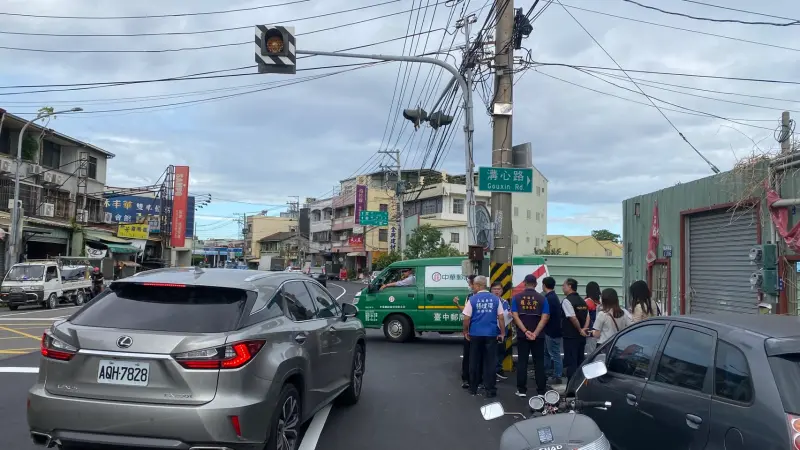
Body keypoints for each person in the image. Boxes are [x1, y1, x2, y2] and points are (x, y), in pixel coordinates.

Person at [462, 275, 506, 398]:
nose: (473, 288)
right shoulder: (496, 299)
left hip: (475, 335)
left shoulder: (473, 299)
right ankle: (490, 389)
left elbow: (466, 318)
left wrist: (465, 331)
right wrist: (502, 333)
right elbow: (501, 318)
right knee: (490, 363)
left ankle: (473, 388)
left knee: (474, 362)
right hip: (491, 335)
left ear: (478, 285)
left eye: (474, 285)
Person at [511, 274, 550, 397]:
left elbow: (515, 315)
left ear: (524, 283)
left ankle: (522, 390)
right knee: (539, 362)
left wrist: (525, 331)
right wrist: (535, 333)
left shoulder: (516, 298)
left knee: (522, 362)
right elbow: (545, 317)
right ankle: (541, 391)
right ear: (536, 284)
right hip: (538, 337)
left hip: (523, 336)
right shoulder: (542, 299)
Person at [561, 278, 590, 383]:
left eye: (564, 285)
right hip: (581, 337)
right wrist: (584, 329)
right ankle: (579, 384)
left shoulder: (567, 301)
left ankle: (570, 387)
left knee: (571, 362)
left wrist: (579, 329)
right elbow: (588, 317)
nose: (562, 287)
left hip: (571, 336)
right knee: (580, 361)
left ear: (569, 286)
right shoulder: (582, 300)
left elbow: (572, 317)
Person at [454, 274, 478, 389]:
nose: (469, 285)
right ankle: (466, 378)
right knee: (468, 355)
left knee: (478, 356)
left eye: (470, 283)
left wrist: (465, 330)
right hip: (472, 330)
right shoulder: (469, 296)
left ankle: (477, 379)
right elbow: (466, 313)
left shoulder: (486, 297)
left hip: (477, 331)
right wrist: (458, 305)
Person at [541, 276, 564, 385]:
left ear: (544, 285)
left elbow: (547, 315)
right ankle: (546, 372)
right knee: (547, 353)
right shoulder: (554, 297)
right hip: (552, 330)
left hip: (552, 331)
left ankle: (557, 375)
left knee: (554, 354)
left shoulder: (549, 298)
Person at [491, 281, 512, 380]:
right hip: (491, 331)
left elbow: (507, 314)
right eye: (494, 289)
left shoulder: (505, 302)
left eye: (498, 289)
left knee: (501, 351)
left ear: (502, 290)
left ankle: (498, 370)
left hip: (503, 331)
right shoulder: (489, 302)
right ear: (491, 290)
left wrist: (510, 315)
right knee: (491, 352)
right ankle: (491, 372)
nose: (496, 291)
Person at [584, 281, 601, 354]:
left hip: (590, 332)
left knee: (591, 354)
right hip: (600, 332)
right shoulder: (600, 302)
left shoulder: (587, 302)